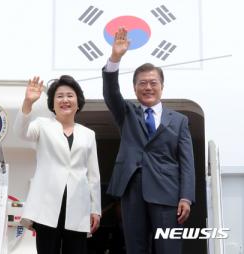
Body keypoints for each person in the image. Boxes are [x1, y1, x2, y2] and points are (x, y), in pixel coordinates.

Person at [102, 27, 195, 254]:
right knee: (136, 248)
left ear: (162, 86)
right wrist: (115, 58)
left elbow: (187, 163)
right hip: (132, 191)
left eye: (153, 82)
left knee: (169, 248)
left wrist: (186, 197)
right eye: (142, 83)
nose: (148, 87)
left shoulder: (179, 120)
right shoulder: (127, 113)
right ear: (135, 88)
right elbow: (111, 93)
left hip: (168, 193)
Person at [13, 75, 101, 254]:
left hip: (78, 205)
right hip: (47, 206)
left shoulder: (88, 134)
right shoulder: (42, 125)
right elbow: (20, 133)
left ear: (78, 102)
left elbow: (93, 175)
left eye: (70, 95)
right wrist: (28, 103)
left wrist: (96, 209)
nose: (65, 100)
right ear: (52, 104)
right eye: (59, 96)